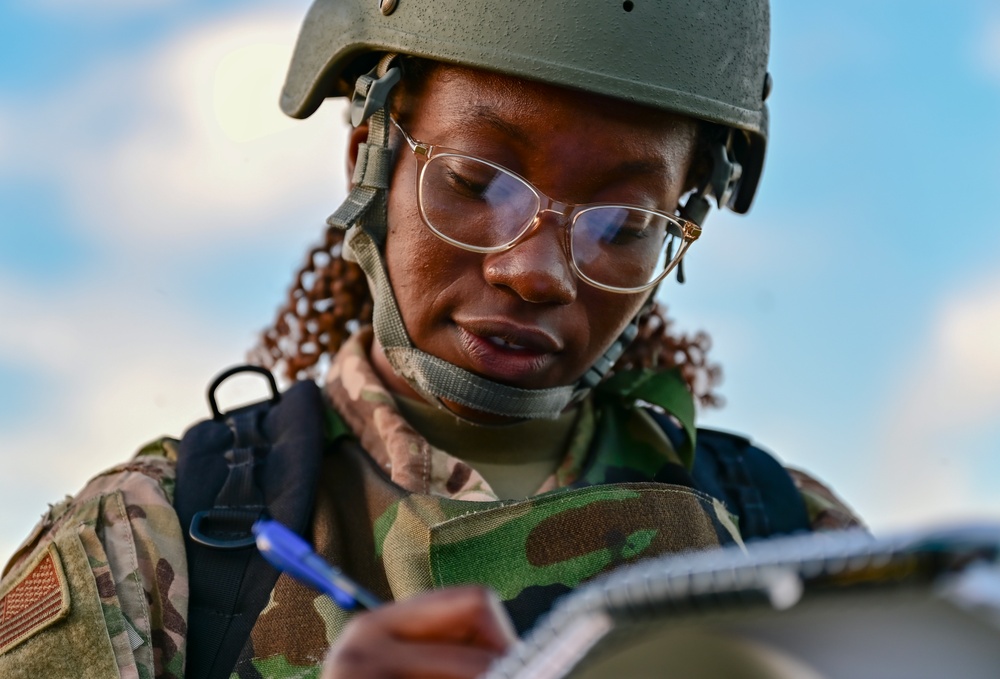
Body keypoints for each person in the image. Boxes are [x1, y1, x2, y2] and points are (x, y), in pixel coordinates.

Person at [0, 1, 861, 678]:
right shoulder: (154, 545)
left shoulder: (793, 540)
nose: (539, 272)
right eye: (476, 180)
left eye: (623, 224)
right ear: (368, 162)